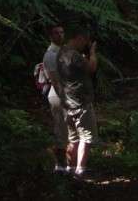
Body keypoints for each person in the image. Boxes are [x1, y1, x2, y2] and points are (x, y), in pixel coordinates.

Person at [57, 30, 98, 179]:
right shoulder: (74, 55)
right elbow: (92, 67)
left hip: (67, 102)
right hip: (80, 103)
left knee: (73, 138)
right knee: (86, 137)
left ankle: (70, 169)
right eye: (84, 42)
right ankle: (80, 171)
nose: (85, 46)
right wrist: (92, 52)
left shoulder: (61, 53)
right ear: (79, 37)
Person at [42, 24, 68, 172]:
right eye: (56, 33)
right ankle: (60, 165)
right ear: (51, 36)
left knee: (67, 129)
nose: (60, 35)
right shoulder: (51, 54)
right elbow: (54, 80)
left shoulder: (62, 51)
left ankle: (68, 164)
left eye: (62, 32)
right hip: (58, 96)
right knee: (60, 129)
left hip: (66, 94)